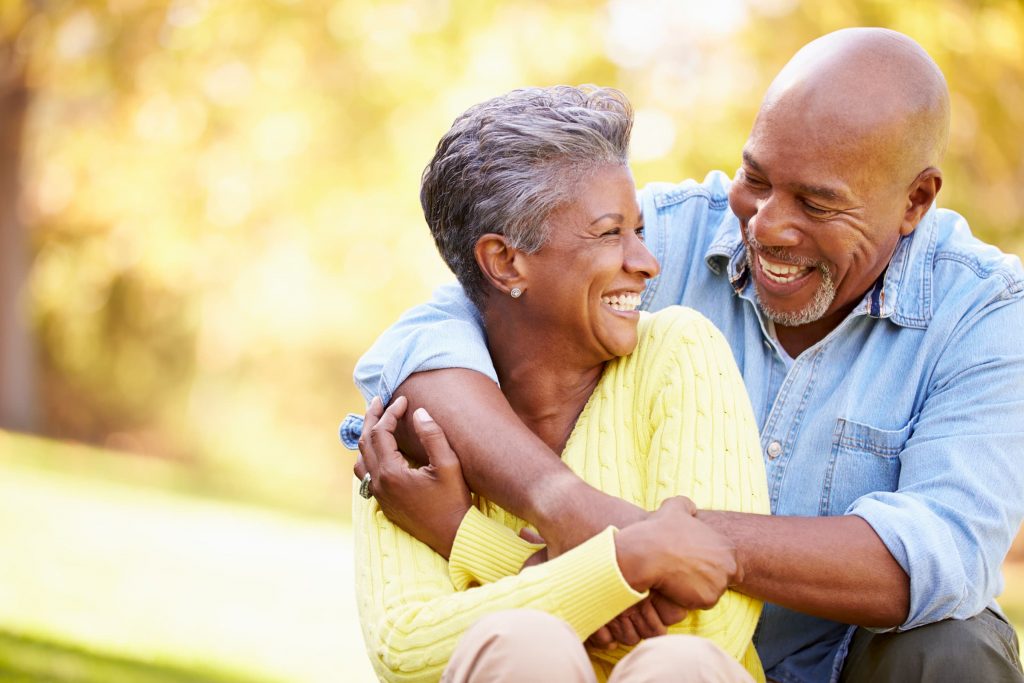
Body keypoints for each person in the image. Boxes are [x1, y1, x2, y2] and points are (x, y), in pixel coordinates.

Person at [350, 28, 1024, 682]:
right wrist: (566, 505)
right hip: (636, 658)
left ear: (916, 200)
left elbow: (936, 555)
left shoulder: (987, 313)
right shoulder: (663, 236)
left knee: (957, 646)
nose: (766, 226)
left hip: (842, 663)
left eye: (817, 202)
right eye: (755, 178)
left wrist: (647, 546)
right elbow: (433, 339)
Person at [343, 85, 770, 682]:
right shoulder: (413, 426)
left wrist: (465, 538)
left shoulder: (679, 352)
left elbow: (710, 627)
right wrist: (626, 563)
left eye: (640, 231)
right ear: (505, 262)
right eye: (608, 233)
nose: (648, 262)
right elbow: (407, 650)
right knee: (521, 647)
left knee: (679, 664)